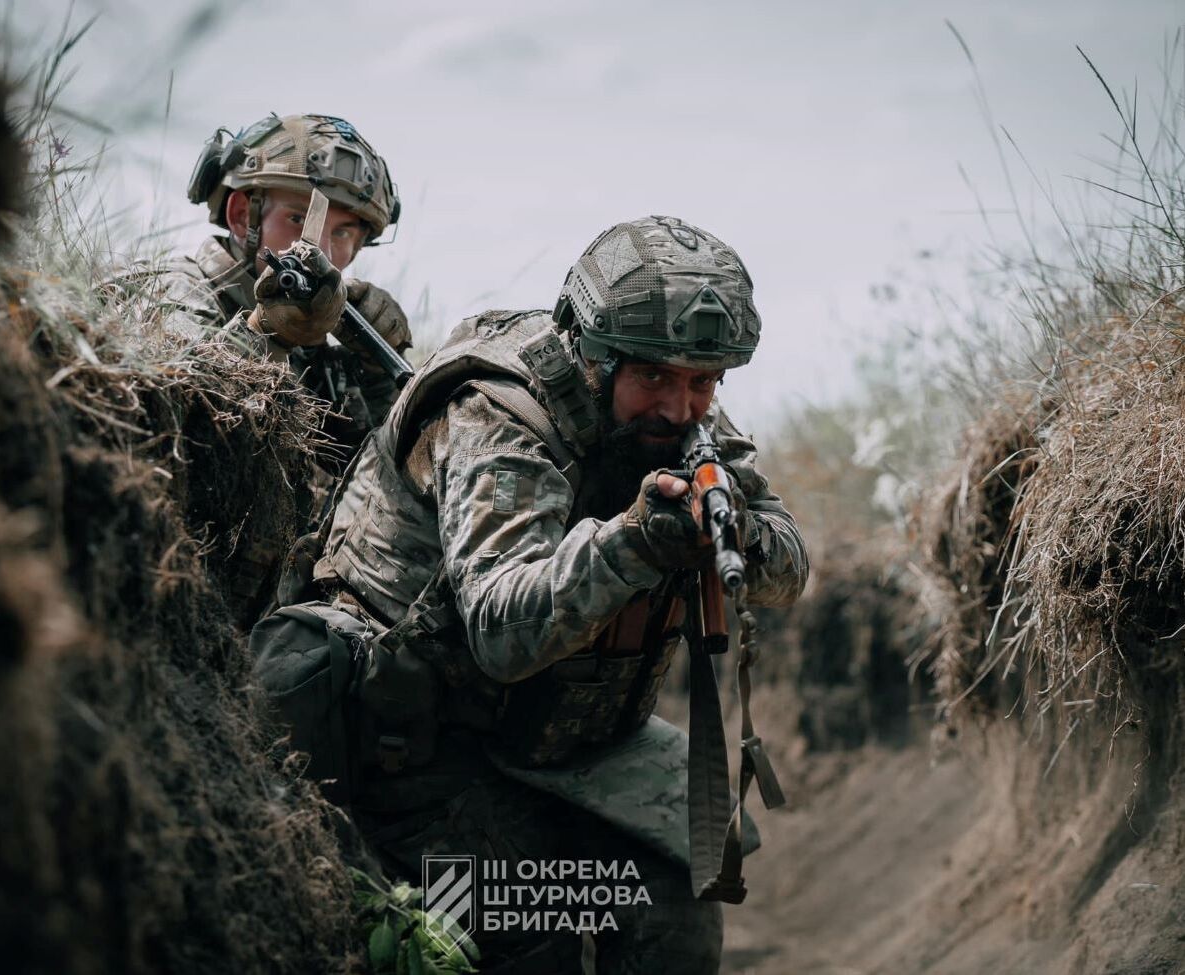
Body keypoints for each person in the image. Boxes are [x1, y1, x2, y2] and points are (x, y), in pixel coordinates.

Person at [256, 215, 809, 973]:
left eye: (703, 382)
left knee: (675, 921)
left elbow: (788, 565)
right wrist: (634, 541)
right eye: (656, 378)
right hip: (413, 747)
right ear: (596, 356)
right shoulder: (500, 418)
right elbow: (502, 629)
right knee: (524, 936)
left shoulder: (678, 408)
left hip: (556, 742)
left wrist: (732, 529)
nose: (681, 406)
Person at [167, 112, 412, 443]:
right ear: (242, 216)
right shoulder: (173, 293)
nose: (321, 249)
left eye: (342, 232)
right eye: (299, 219)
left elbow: (368, 462)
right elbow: (182, 423)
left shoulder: (316, 351)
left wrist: (376, 372)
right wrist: (266, 336)